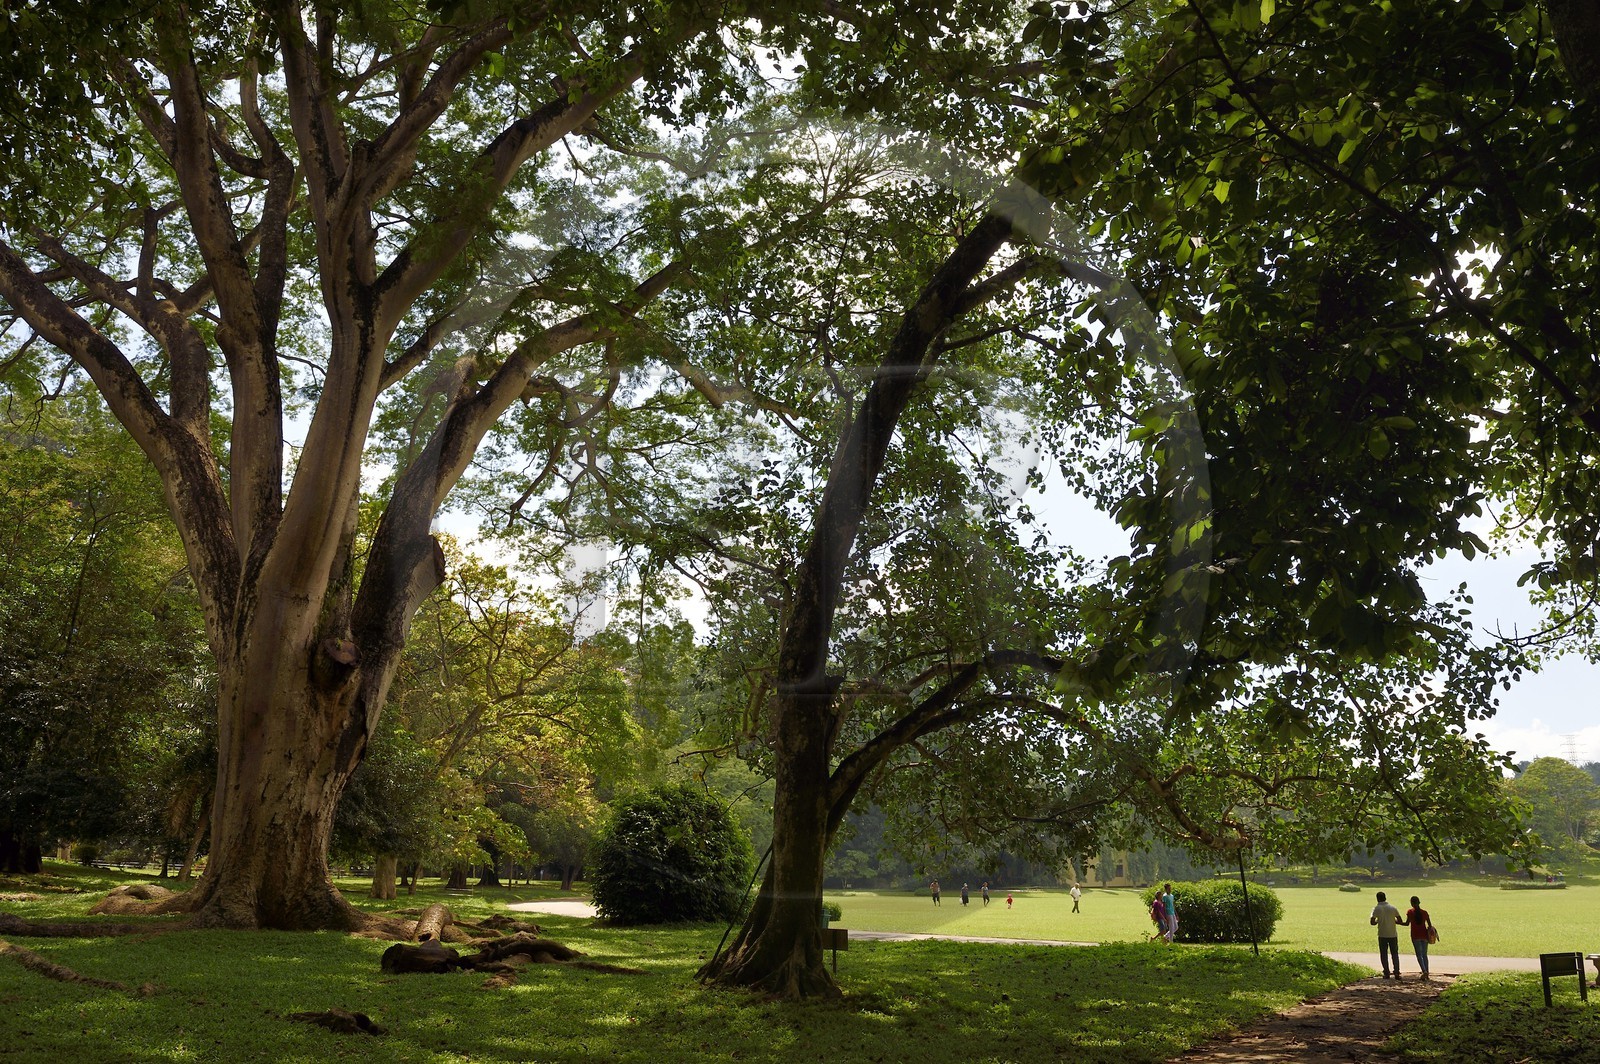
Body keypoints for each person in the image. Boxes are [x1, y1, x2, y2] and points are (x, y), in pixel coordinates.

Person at [1370, 890, 1403, 978]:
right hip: (1393, 934)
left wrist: (1378, 921)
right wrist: (1393, 921)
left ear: (1377, 899)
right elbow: (1400, 920)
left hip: (1382, 934)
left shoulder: (1377, 908)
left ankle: (1386, 972)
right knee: (1394, 954)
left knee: (1383, 954)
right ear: (1385, 898)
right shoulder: (1392, 908)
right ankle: (1396, 972)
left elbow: (1372, 922)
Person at [1404, 895, 1434, 980]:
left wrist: (1397, 922)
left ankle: (1424, 971)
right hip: (1424, 935)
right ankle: (1427, 972)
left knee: (1419, 955)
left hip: (1415, 935)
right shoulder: (1424, 912)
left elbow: (1407, 923)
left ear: (1411, 903)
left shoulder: (1410, 912)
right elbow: (1430, 925)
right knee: (1424, 955)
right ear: (1419, 902)